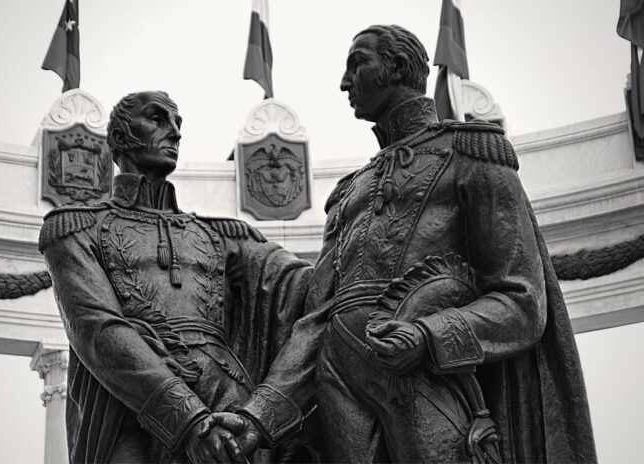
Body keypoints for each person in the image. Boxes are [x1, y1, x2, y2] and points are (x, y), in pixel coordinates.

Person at [207, 25, 597, 463]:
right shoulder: (349, 191)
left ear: (395, 67)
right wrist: (259, 415)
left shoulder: (471, 154)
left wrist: (428, 336)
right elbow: (316, 321)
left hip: (421, 370)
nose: (344, 82)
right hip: (338, 375)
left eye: (358, 63)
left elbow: (523, 301)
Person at [39, 90, 312, 463]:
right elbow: (97, 329)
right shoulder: (76, 228)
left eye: (178, 123)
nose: (175, 133)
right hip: (131, 411)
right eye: (157, 119)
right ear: (118, 139)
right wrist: (189, 420)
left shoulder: (225, 236)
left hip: (228, 405)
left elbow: (304, 287)